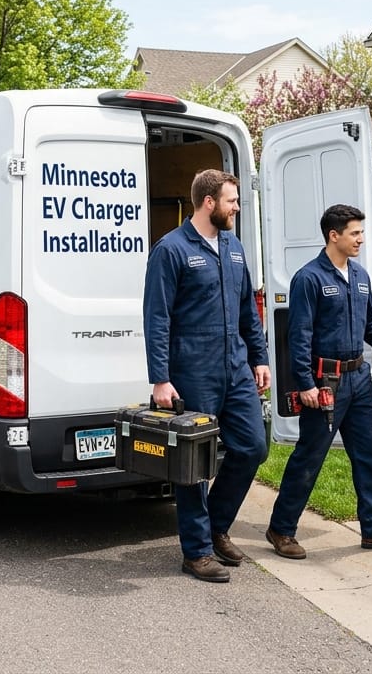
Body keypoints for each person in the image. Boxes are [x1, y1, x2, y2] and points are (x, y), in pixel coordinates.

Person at [265, 204, 372, 560]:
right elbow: (298, 336)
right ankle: (281, 529)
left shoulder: (360, 276)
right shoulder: (309, 278)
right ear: (334, 235)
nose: (361, 239)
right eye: (355, 233)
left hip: (360, 379)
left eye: (361, 233)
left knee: (369, 454)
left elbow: (371, 324)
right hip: (325, 383)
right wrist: (305, 383)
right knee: (309, 457)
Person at [143, 169, 271, 583]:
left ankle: (216, 525)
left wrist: (260, 358)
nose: (237, 207)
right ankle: (196, 551)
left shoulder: (233, 247)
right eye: (232, 201)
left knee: (252, 447)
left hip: (234, 365)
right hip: (192, 368)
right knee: (194, 463)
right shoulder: (172, 250)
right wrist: (160, 378)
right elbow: (157, 317)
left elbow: (248, 308)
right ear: (209, 202)